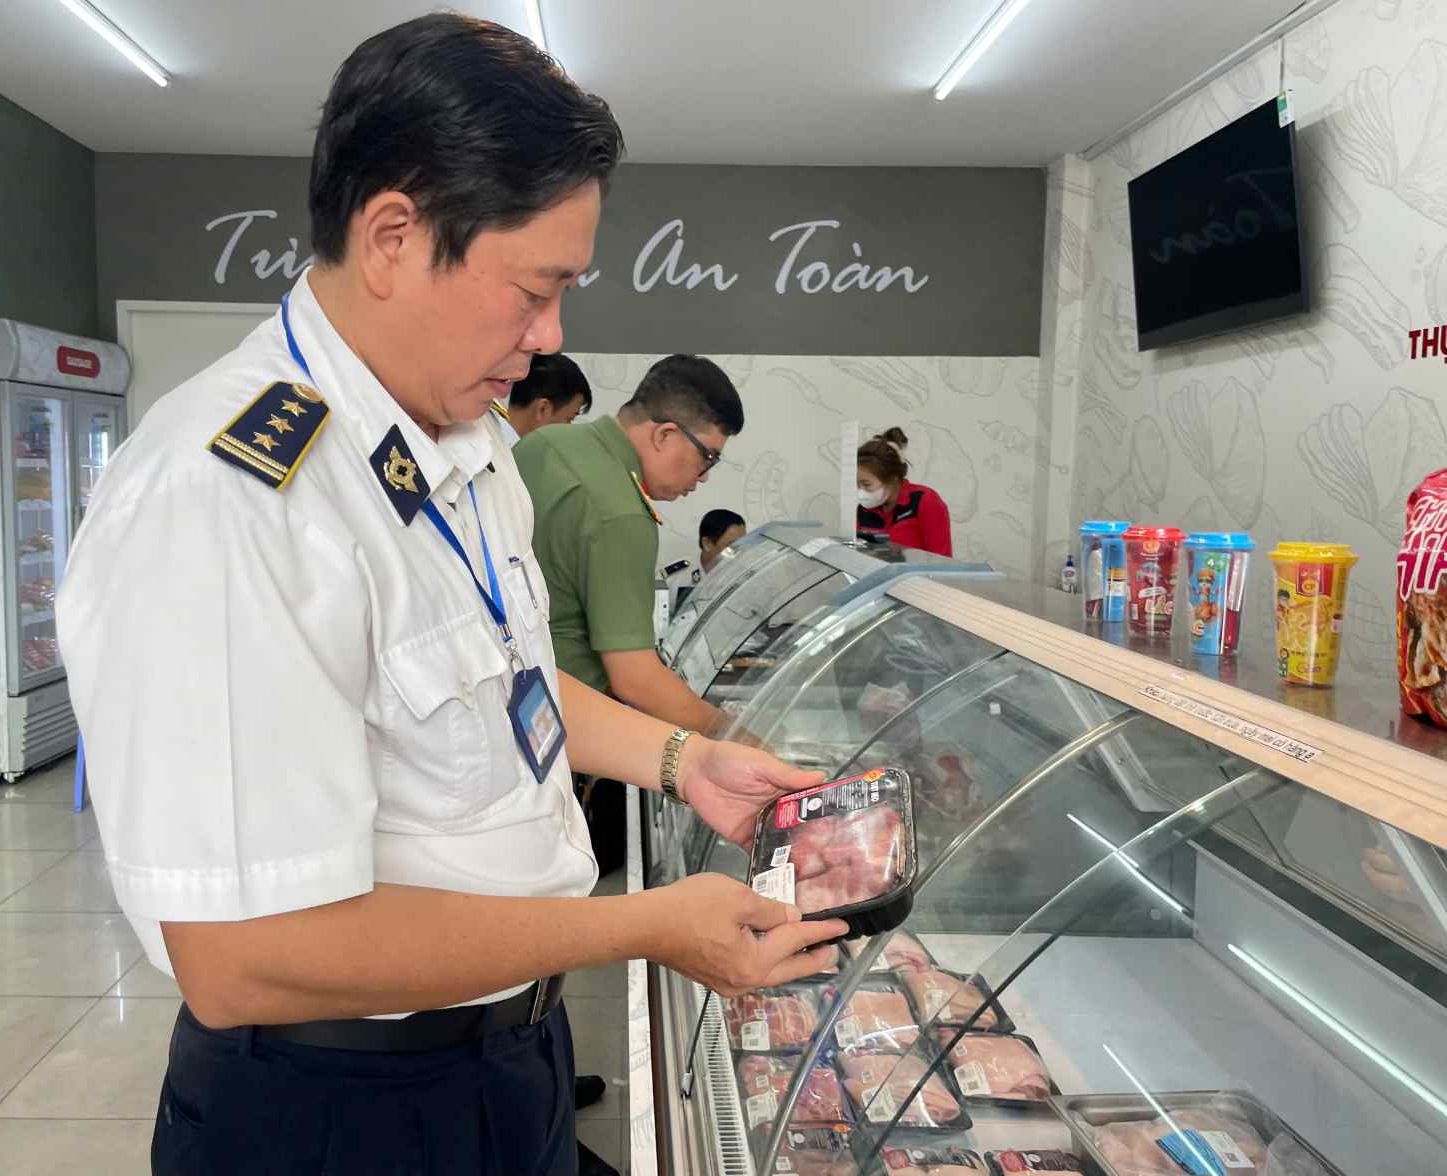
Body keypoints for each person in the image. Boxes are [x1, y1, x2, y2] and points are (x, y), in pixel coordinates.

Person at [54, 17, 843, 1176]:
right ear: (390, 237)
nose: (551, 337)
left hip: (498, 1056)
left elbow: (505, 680)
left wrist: (682, 764)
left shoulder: (460, 443)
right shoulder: (230, 498)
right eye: (533, 290)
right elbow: (240, 956)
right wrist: (644, 929)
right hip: (342, 1108)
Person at [515, 354, 741, 738]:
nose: (702, 478)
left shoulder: (548, 441)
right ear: (664, 435)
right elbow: (635, 678)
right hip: (559, 722)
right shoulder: (624, 512)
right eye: (708, 458)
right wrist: (731, 732)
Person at [856, 426, 952, 556]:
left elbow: (941, 562)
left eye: (867, 484)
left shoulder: (925, 501)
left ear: (892, 479)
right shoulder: (863, 509)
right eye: (857, 484)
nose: (860, 492)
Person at [491, 351, 592, 448]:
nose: (569, 430)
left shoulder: (490, 439)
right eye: (569, 419)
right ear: (543, 409)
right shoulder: (493, 456)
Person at [697, 507, 747, 580]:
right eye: (732, 546)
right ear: (707, 543)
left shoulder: (746, 574)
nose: (740, 552)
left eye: (741, 544)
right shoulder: (678, 576)